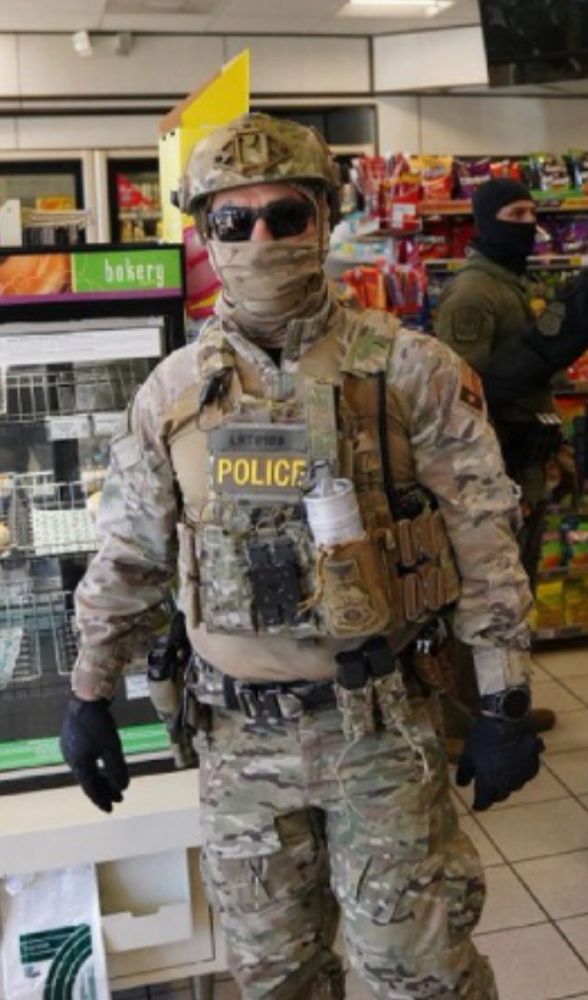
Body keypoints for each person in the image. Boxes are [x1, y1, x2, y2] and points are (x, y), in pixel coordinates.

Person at [60, 113, 543, 1000]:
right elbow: (129, 553)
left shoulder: (409, 369)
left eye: (285, 215)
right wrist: (90, 692)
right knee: (275, 979)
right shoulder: (173, 393)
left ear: (324, 217)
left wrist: (505, 694)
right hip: (239, 748)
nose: (261, 240)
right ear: (203, 233)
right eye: (232, 223)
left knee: (420, 980)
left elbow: (482, 533)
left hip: (380, 733)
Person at [436, 177, 559, 739]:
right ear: (488, 222)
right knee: (487, 593)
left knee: (517, 590)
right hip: (493, 467)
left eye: (532, 211)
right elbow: (462, 394)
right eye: (515, 212)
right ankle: (467, 718)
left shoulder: (512, 283)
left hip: (525, 460)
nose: (528, 223)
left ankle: (506, 701)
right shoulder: (473, 295)